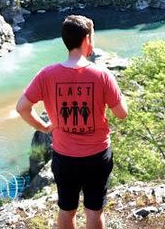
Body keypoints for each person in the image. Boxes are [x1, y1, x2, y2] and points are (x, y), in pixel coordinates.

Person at [16, 15, 128, 229]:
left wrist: (44, 127)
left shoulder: (46, 74)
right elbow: (121, 113)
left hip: (64, 156)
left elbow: (22, 107)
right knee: (94, 211)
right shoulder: (102, 75)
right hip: (97, 155)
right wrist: (119, 96)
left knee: (66, 210)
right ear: (87, 39)